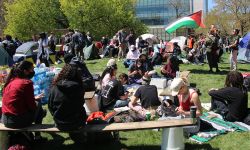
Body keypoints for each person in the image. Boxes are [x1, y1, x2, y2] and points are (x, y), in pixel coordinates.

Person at [1, 61, 46, 140]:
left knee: (37, 105)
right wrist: (38, 109)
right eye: (32, 69)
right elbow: (32, 106)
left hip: (4, 119)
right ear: (25, 71)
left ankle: (41, 116)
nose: (33, 71)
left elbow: (15, 99)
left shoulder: (10, 81)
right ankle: (38, 137)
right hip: (17, 121)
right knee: (38, 105)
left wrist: (33, 99)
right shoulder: (26, 83)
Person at [48, 62, 87, 131]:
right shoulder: (78, 87)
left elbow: (50, 106)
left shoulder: (54, 87)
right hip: (76, 123)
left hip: (59, 123)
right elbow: (81, 103)